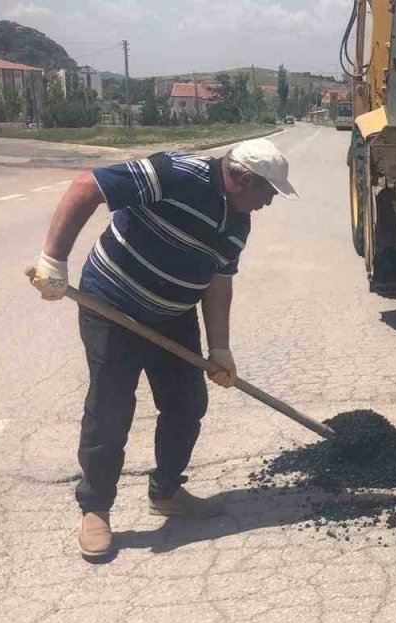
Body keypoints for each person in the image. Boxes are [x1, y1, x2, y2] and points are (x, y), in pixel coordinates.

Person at [24, 139, 298, 559]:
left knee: (187, 403)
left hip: (173, 316)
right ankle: (96, 509)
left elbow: (218, 282)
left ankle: (166, 491)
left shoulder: (238, 222)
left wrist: (220, 349)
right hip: (112, 306)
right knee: (110, 407)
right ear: (243, 179)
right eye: (268, 192)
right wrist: (54, 260)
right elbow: (86, 186)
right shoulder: (175, 173)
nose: (270, 202)